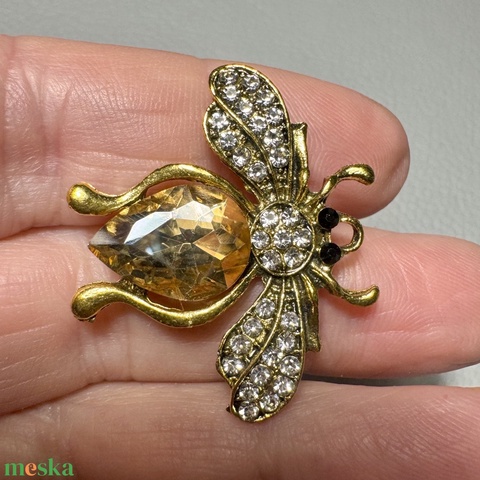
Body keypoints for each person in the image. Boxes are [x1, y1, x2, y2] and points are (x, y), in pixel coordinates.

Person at [0, 35, 479, 480]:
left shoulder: (289, 281)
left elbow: (260, 389)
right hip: (215, 217)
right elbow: (236, 92)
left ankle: (112, 282)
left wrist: (345, 292)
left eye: (329, 248)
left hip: (225, 258)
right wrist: (348, 292)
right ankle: (108, 221)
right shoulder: (287, 238)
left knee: (198, 297)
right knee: (187, 180)